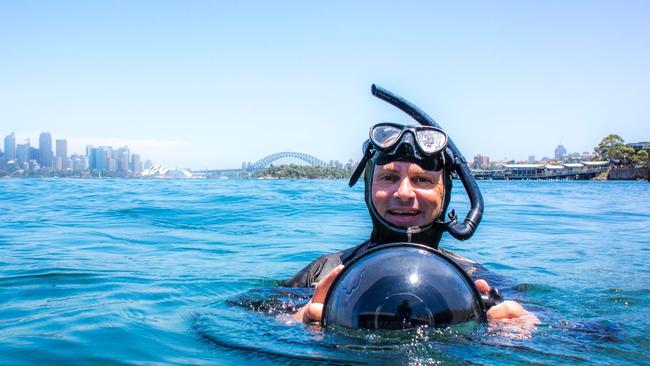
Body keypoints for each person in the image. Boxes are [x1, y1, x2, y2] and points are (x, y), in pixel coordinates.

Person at [284, 87, 538, 329]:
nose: (404, 193)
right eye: (388, 178)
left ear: (445, 192)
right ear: (368, 188)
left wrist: (522, 326)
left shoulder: (480, 281)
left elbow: (568, 335)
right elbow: (252, 318)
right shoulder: (321, 274)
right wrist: (294, 322)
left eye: (422, 180)